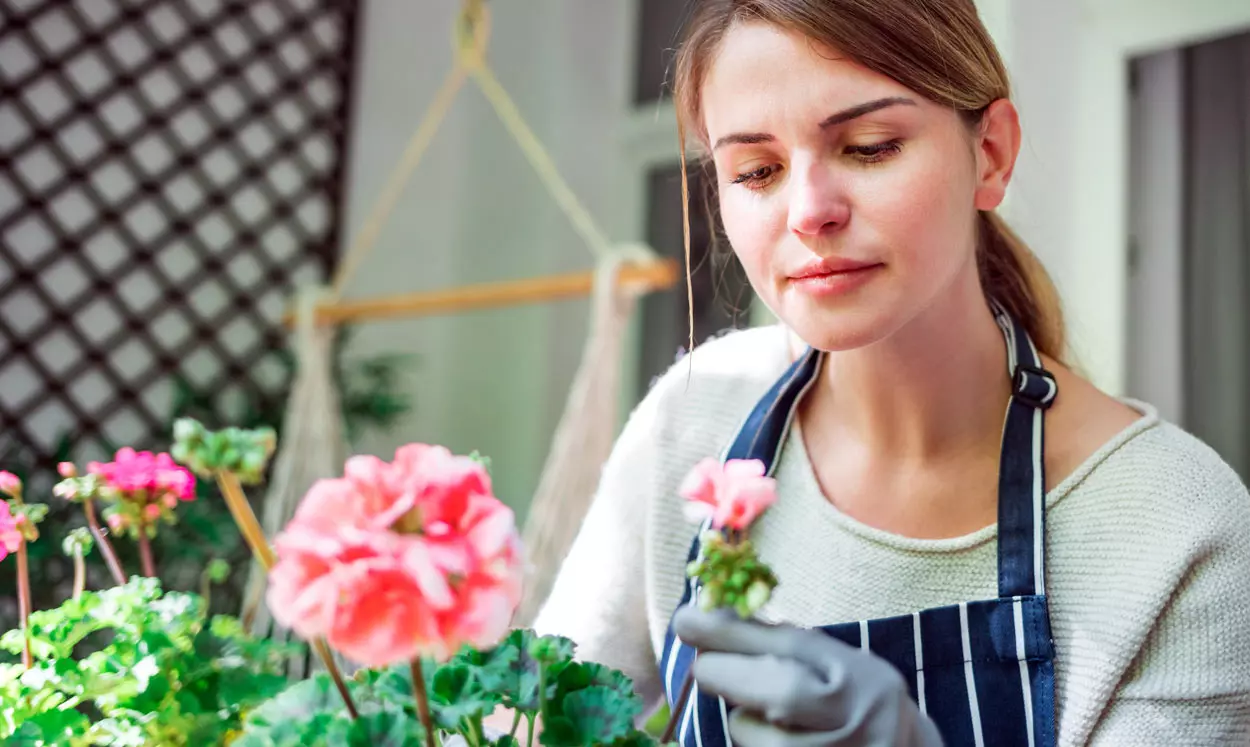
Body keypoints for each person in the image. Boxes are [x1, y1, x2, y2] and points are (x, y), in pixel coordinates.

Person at [533, 1, 1250, 745]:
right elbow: (528, 722)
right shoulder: (693, 419)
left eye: (869, 146)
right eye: (757, 170)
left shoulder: (1178, 527)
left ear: (993, 153)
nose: (809, 211)